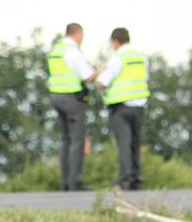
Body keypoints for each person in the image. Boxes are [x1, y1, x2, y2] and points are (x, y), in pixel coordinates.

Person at [47, 23, 99, 191]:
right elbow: (88, 76)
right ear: (78, 34)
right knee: (77, 140)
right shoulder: (72, 51)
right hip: (71, 98)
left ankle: (65, 182)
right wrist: (101, 69)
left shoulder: (56, 50)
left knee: (65, 140)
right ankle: (74, 182)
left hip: (56, 96)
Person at [96, 28, 150, 190]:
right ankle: (137, 178)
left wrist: (99, 74)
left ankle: (124, 178)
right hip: (139, 105)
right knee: (135, 143)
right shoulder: (142, 56)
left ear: (115, 41)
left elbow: (102, 82)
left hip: (121, 107)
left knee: (124, 143)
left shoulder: (117, 58)